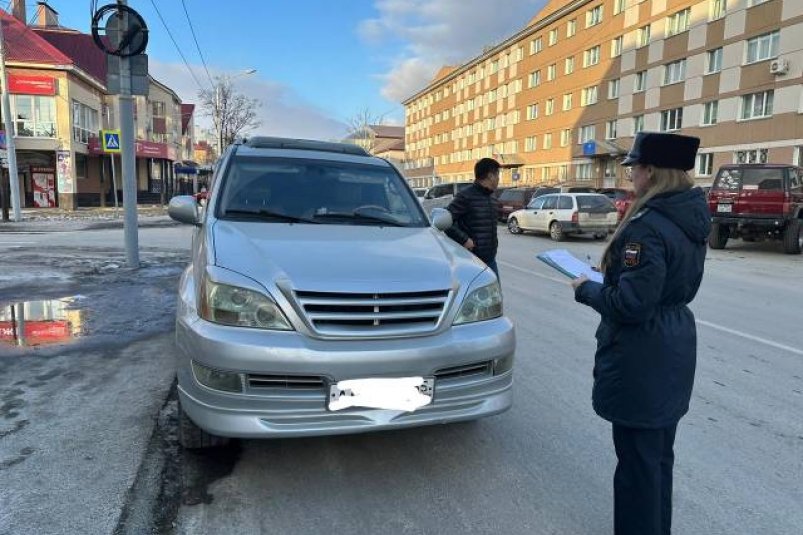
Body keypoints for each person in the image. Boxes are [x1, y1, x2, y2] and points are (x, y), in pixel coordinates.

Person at [570, 132, 711, 535]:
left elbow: (631, 305)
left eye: (634, 168)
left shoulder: (648, 227)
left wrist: (589, 290)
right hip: (673, 346)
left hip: (644, 354)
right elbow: (656, 286)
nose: (630, 174)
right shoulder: (689, 215)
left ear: (652, 172)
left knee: (637, 470)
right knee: (656, 463)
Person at [444, 158, 501, 278]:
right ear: (490, 176)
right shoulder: (466, 196)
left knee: (495, 295)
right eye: (497, 175)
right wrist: (464, 239)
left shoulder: (492, 197)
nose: (498, 179)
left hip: (490, 259)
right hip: (471, 260)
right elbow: (445, 222)